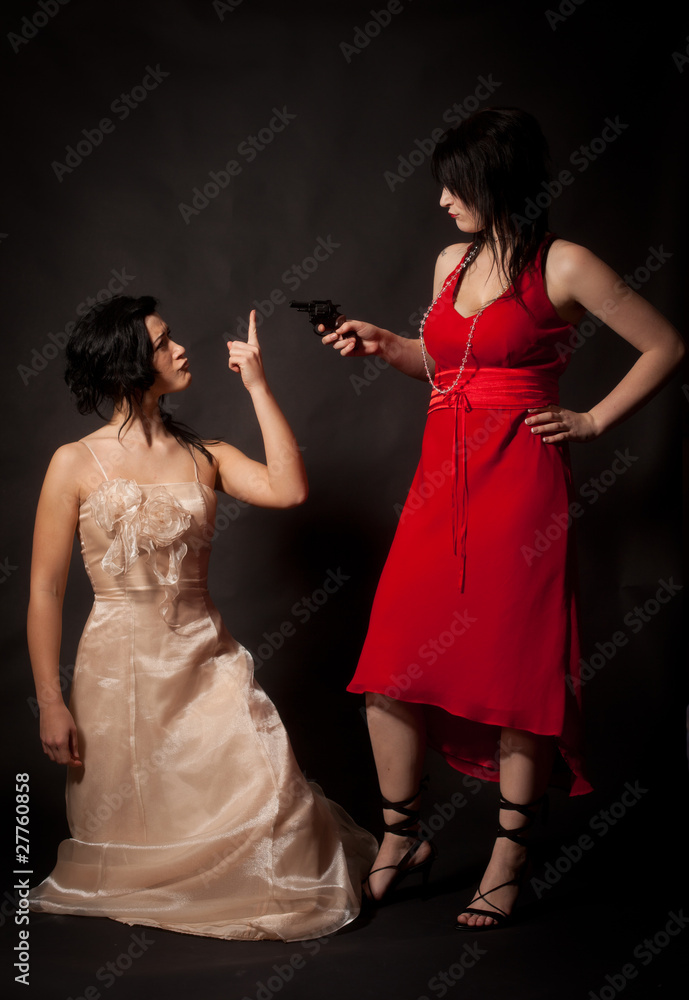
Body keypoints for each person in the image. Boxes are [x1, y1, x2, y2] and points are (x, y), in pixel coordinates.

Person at [321, 107, 684, 929]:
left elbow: (665, 344)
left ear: (497, 181)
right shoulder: (449, 261)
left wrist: (591, 419)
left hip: (521, 487)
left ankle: (509, 853)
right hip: (438, 484)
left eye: (455, 185)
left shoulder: (566, 263)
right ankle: (401, 837)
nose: (441, 200)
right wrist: (386, 346)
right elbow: (446, 365)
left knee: (518, 668)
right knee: (391, 664)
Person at [27, 296, 376, 941]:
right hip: (118, 671)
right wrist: (50, 700)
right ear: (128, 363)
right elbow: (45, 590)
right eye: (163, 342)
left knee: (269, 791)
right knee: (137, 822)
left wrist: (259, 386)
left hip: (204, 653)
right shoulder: (73, 461)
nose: (181, 348)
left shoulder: (205, 455)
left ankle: (259, 884)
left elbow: (289, 489)